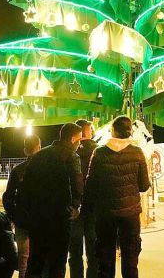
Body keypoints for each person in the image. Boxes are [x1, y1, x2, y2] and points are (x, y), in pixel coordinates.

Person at [83, 117, 150, 278]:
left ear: (113, 131)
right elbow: (144, 185)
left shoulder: (99, 153)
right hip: (131, 214)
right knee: (130, 259)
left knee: (105, 260)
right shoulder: (138, 152)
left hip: (105, 215)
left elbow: (90, 186)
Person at [16, 123, 84, 278]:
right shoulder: (71, 157)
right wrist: (76, 205)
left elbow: (25, 186)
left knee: (35, 260)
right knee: (57, 262)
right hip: (61, 217)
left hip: (37, 218)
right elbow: (77, 183)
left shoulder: (39, 156)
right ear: (73, 139)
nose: (79, 144)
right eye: (79, 140)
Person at [3, 135, 41, 278]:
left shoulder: (18, 170)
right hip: (41, 221)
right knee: (39, 257)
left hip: (22, 220)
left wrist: (13, 215)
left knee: (23, 258)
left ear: (25, 150)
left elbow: (8, 197)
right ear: (39, 147)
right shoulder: (48, 170)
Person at [69, 119, 98, 278]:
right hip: (93, 207)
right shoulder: (98, 151)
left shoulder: (70, 153)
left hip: (74, 207)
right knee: (93, 251)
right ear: (87, 132)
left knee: (74, 252)